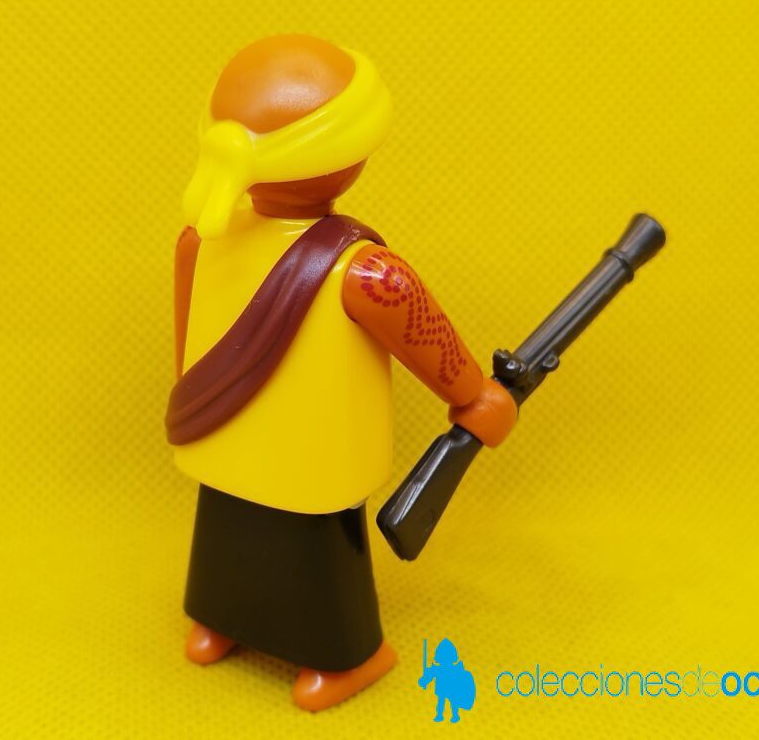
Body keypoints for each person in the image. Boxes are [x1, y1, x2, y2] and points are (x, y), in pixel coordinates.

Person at [165, 34, 517, 711]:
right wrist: (475, 396)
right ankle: (345, 656)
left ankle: (215, 624)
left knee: (227, 527)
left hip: (221, 437)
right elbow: (428, 339)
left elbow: (186, 346)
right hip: (310, 456)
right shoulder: (365, 271)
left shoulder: (201, 240)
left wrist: (201, 409)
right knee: (316, 554)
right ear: (343, 158)